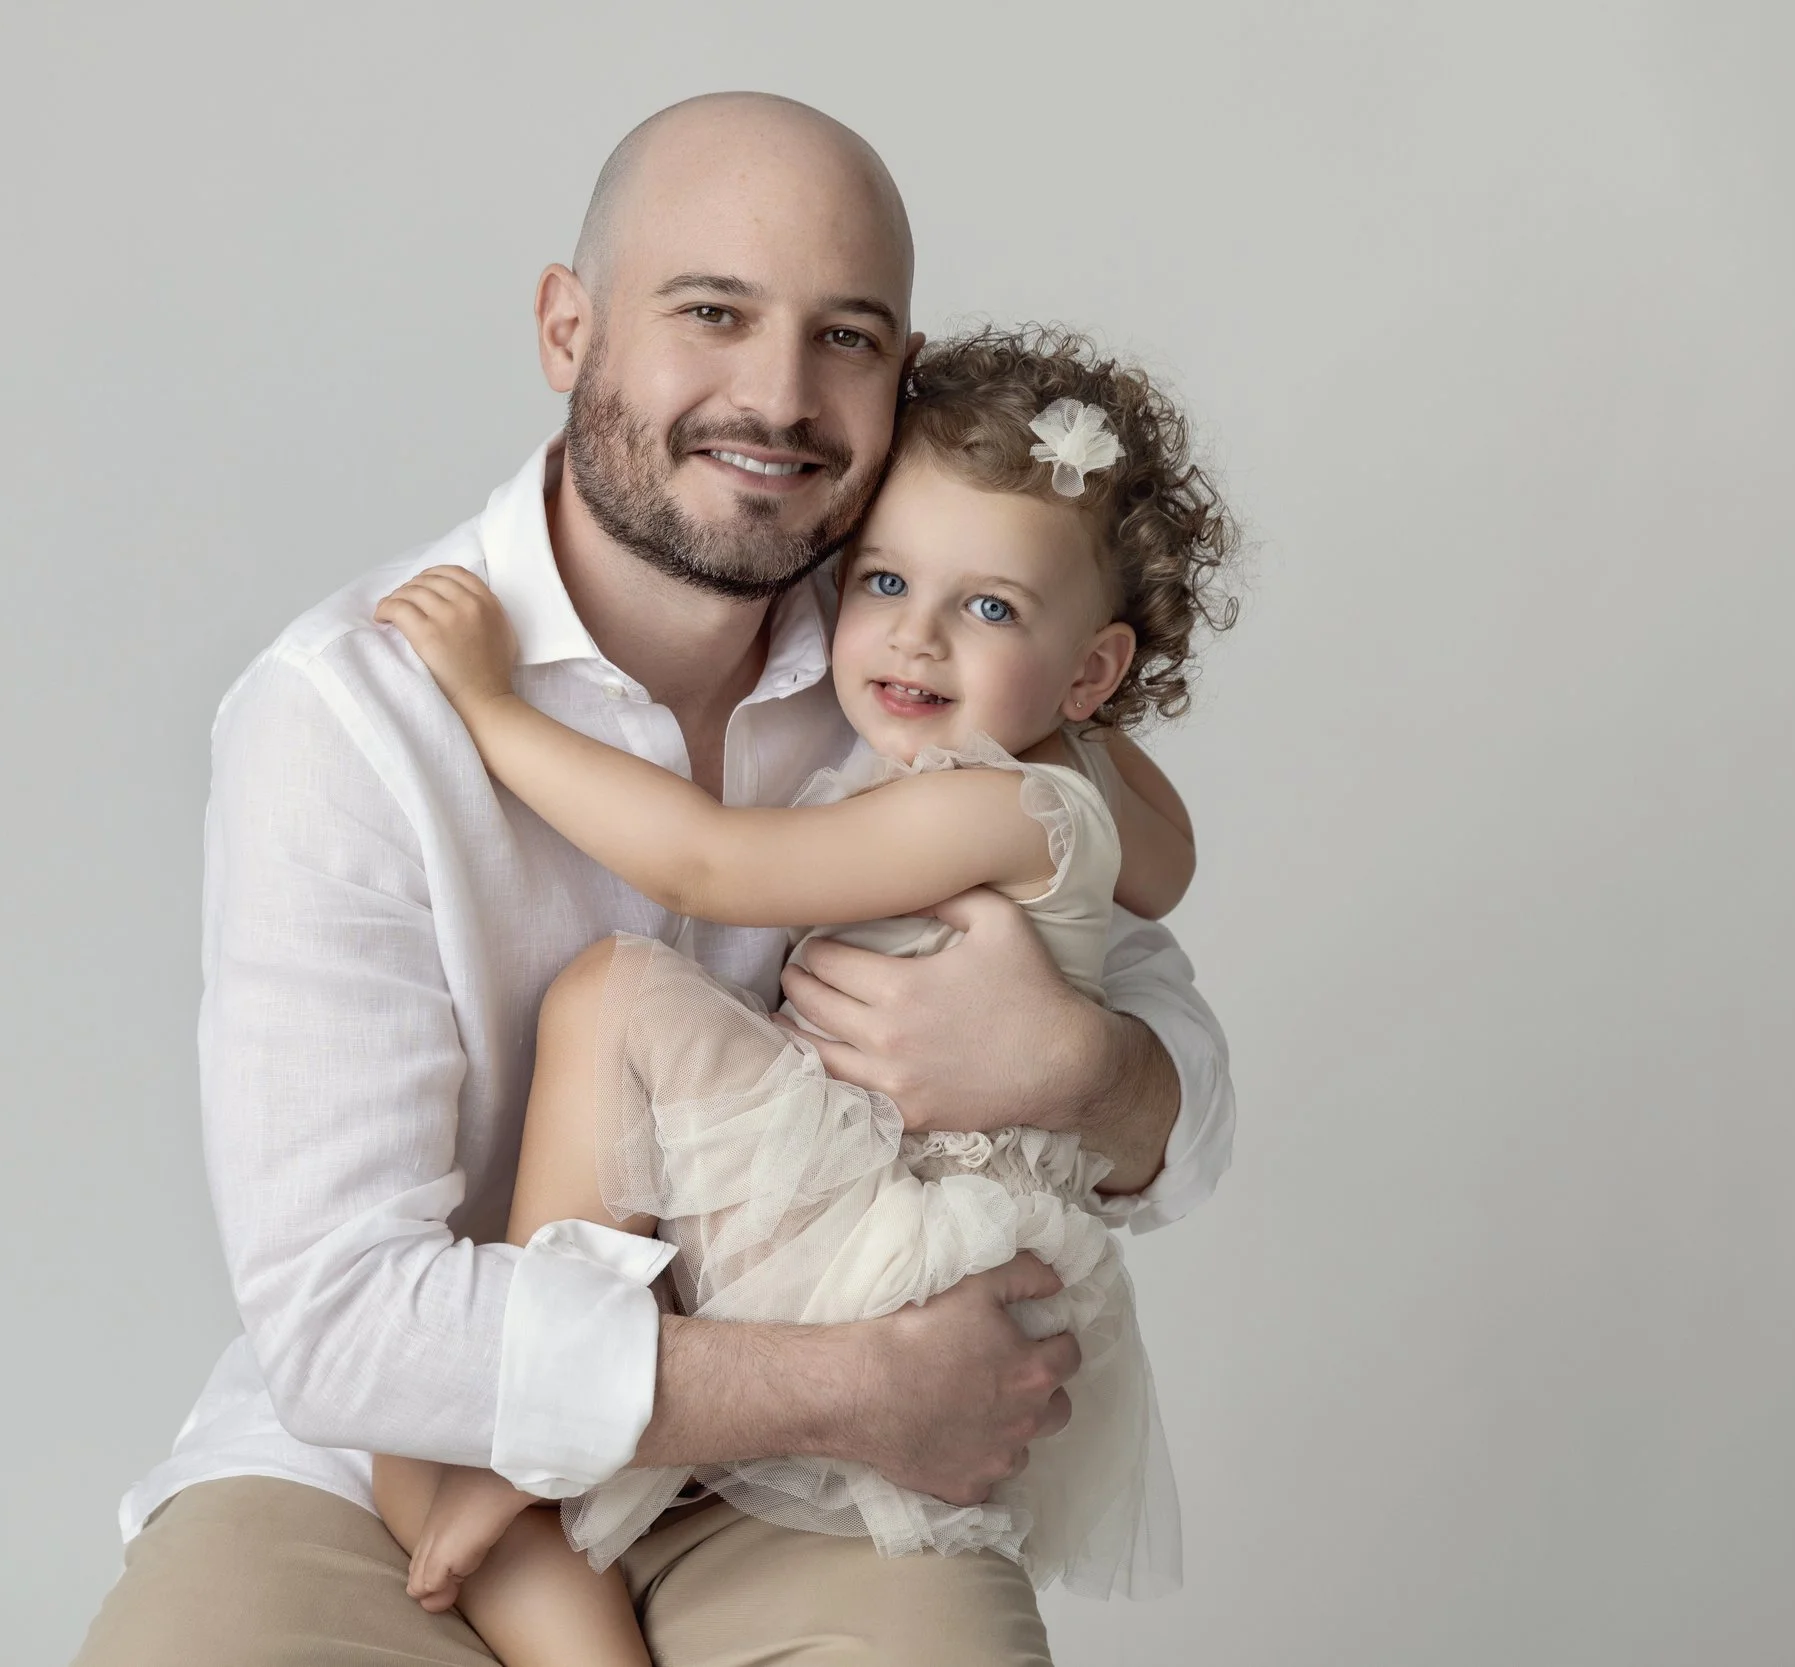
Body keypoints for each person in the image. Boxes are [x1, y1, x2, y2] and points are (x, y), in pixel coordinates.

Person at [71, 92, 1235, 1667]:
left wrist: (1081, 1063)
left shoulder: (930, 646)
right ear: (568, 326)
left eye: (845, 335)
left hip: (789, 1486)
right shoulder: (349, 712)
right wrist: (856, 1384)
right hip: (409, 1443)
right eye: (712, 311)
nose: (776, 393)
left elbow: (1168, 1064)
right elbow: (346, 1323)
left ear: (901, 374)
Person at [367, 325, 1238, 1665]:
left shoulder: (995, 803)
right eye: (884, 579)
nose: (916, 637)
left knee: (609, 998)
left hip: (872, 1239)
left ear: (1093, 671)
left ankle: (539, 1415)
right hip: (877, 1213)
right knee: (392, 1466)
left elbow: (714, 863)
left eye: (989, 607)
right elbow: (1169, 867)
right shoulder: (1071, 770)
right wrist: (1033, 659)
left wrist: (491, 709)